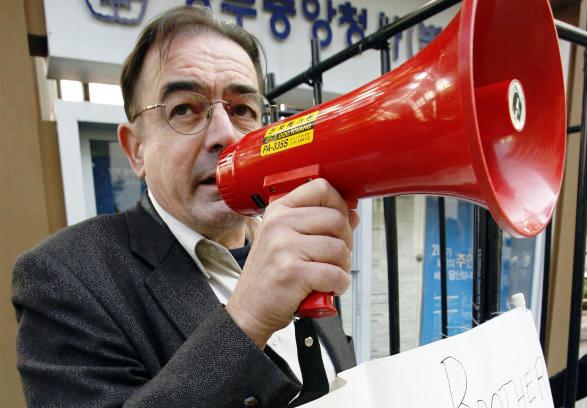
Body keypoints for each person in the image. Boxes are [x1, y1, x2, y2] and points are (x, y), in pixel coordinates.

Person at [12, 6, 358, 407]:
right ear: (135, 149)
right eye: (185, 109)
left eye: (242, 110)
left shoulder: (294, 244)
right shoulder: (64, 276)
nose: (226, 135)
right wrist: (247, 318)